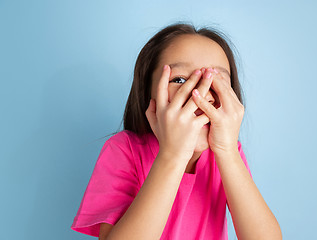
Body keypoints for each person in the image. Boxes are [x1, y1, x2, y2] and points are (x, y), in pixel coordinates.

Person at [71, 23, 282, 240]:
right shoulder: (125, 149)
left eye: (216, 81)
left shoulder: (228, 153)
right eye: (180, 80)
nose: (202, 94)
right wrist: (173, 154)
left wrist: (227, 150)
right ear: (148, 94)